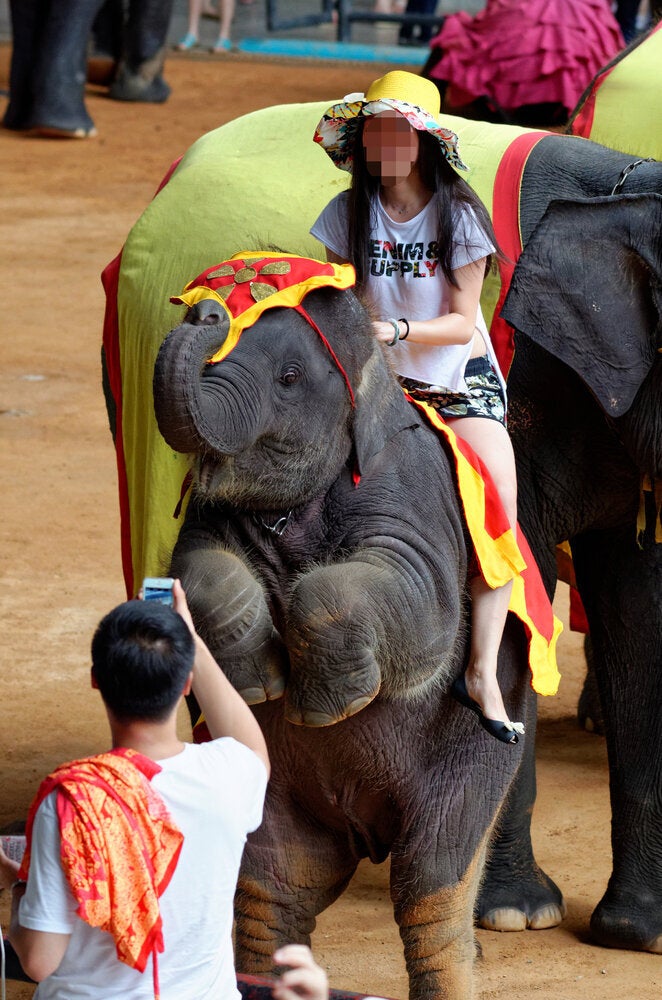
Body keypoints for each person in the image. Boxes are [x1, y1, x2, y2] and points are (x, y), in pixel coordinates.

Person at [311, 70, 524, 744]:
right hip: (375, 381)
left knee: (499, 503)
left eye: (398, 129)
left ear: (424, 140)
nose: (385, 141)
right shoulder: (345, 214)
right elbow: (338, 297)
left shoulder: (458, 217)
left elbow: (465, 323)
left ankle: (483, 670)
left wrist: (394, 332)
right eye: (374, 129)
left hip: (457, 380)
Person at [0, 579, 269, 997]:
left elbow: (37, 960)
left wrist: (21, 885)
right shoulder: (231, 775)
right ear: (185, 684)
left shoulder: (72, 800)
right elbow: (251, 746)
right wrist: (189, 639)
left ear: (96, 681)